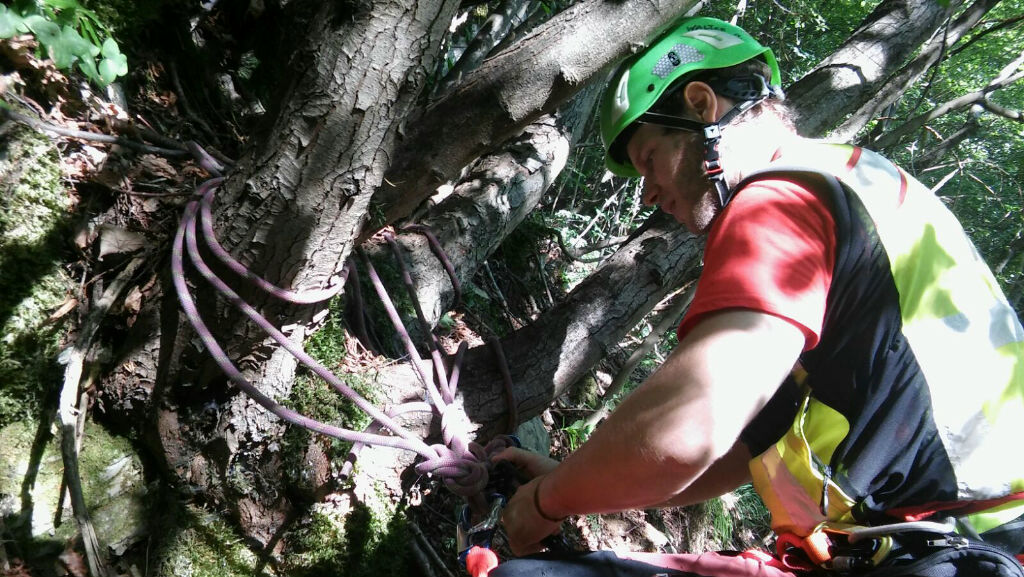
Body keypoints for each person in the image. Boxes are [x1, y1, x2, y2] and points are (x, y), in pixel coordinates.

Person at [489, 16, 1024, 577]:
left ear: (701, 105)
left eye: (649, 161)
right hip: (939, 548)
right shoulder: (865, 182)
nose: (649, 193)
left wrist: (547, 502)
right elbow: (739, 446)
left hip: (943, 556)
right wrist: (569, 478)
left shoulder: (781, 201)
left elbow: (685, 429)